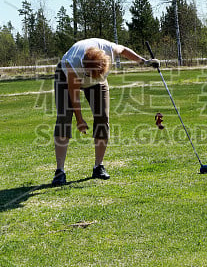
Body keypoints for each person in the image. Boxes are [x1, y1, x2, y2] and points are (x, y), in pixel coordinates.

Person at [51, 38, 159, 187]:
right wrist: (80, 120)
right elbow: (74, 95)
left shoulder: (109, 49)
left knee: (102, 117)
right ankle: (60, 172)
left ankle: (98, 167)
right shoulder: (73, 63)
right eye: (90, 75)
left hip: (97, 81)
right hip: (64, 78)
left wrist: (144, 61)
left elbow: (123, 50)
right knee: (64, 119)